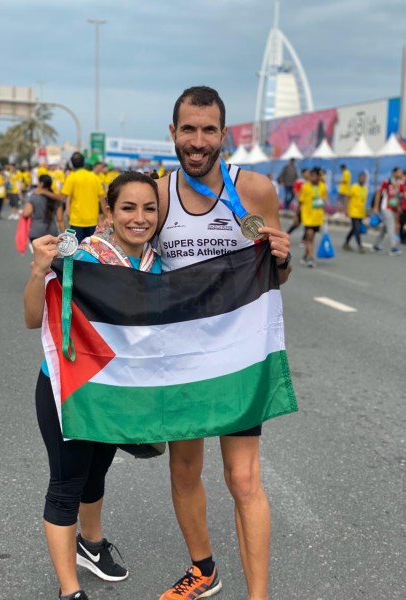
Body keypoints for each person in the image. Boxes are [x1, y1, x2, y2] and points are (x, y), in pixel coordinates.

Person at [155, 86, 291, 600]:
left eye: (208, 130)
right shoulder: (158, 196)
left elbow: (278, 274)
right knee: (184, 468)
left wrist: (283, 258)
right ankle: (203, 570)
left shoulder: (254, 191)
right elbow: (124, 265)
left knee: (244, 478)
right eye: (188, 129)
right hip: (182, 356)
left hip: (239, 356)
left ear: (223, 134)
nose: (198, 141)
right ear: (173, 132)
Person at [24, 171, 162, 600]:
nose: (139, 218)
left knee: (97, 470)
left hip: (115, 391)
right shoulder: (81, 258)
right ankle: (69, 591)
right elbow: (32, 318)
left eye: (149, 208)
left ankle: (91, 544)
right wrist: (38, 270)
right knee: (67, 482)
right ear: (109, 210)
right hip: (68, 387)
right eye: (128, 207)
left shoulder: (159, 265)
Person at [59, 152, 107, 243]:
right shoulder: (94, 177)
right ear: (84, 163)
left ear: (72, 164)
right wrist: (106, 216)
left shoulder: (71, 177)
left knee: (76, 248)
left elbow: (62, 197)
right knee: (90, 249)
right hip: (92, 221)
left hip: (76, 221)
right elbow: (102, 199)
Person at [299, 166, 327, 268]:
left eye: (314, 176)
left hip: (317, 218)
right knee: (310, 237)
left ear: (319, 177)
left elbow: (323, 201)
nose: (312, 178)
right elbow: (300, 201)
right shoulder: (305, 187)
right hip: (307, 217)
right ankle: (311, 258)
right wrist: (297, 215)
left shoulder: (323, 187)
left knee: (311, 238)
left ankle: (305, 256)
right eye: (311, 176)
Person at [372, 167, 404, 256]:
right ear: (394, 173)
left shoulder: (400, 184)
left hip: (394, 209)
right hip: (386, 208)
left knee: (385, 228)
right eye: (399, 172)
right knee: (391, 227)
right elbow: (378, 193)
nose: (401, 174)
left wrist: (399, 207)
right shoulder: (387, 182)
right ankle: (394, 248)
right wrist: (376, 206)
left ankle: (376, 245)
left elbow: (402, 195)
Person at [22, 174, 63, 242]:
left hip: (36, 231)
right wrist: (65, 234)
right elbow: (60, 219)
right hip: (52, 232)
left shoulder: (33, 197)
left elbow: (26, 213)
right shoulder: (56, 199)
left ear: (41, 184)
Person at [343, 172, 367, 253]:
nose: (363, 179)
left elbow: (363, 201)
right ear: (359, 178)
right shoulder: (354, 187)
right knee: (357, 229)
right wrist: (346, 209)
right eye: (362, 178)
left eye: (364, 178)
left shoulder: (364, 189)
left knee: (354, 229)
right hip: (354, 212)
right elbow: (347, 197)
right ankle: (360, 246)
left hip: (361, 213)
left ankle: (346, 242)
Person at [287, 168, 309, 235]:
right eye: (306, 172)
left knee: (307, 223)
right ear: (303, 173)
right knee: (297, 222)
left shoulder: (309, 182)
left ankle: (305, 238)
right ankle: (287, 234)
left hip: (307, 205)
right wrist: (299, 199)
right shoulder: (299, 182)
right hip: (299, 204)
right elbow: (295, 191)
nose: (308, 174)